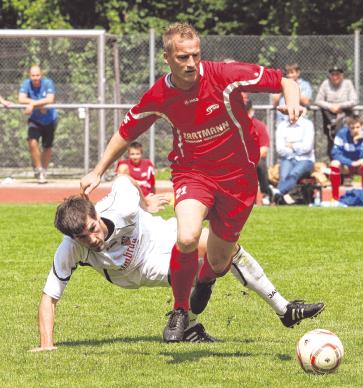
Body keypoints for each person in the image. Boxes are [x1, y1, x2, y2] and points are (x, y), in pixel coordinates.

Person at [80, 22, 303, 342]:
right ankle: (180, 310)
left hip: (238, 179)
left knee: (218, 260)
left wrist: (293, 98)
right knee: (186, 237)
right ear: (168, 58)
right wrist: (98, 170)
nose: (191, 63)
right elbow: (127, 131)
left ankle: (206, 282)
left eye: (195, 55)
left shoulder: (225, 76)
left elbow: (283, 80)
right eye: (183, 57)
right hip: (193, 173)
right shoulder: (160, 94)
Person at [31, 176, 324, 351]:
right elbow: (49, 296)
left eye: (92, 229)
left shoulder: (122, 206)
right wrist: (47, 344)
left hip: (161, 231)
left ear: (95, 213)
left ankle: (284, 309)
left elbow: (123, 177)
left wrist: (144, 202)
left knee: (224, 247)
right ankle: (193, 310)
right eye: (82, 237)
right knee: (187, 272)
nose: (91, 239)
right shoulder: (70, 248)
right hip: (138, 270)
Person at [18, 65, 58, 184]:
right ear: (29, 76)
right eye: (33, 75)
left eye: (37, 75)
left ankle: (44, 171)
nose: (35, 78)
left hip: (49, 119)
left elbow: (50, 99)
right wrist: (38, 104)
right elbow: (21, 99)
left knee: (47, 146)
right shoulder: (26, 84)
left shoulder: (48, 83)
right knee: (32, 142)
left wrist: (33, 104)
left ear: (41, 75)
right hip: (34, 120)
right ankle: (38, 169)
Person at [271, 116, 315, 205]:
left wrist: (291, 145)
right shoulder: (282, 125)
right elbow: (280, 149)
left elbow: (307, 147)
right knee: (283, 177)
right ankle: (282, 201)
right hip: (288, 157)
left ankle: (276, 194)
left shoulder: (307, 124)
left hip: (306, 160)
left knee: (293, 174)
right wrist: (297, 147)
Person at [315, 66, 357, 158]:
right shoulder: (325, 83)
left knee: (346, 139)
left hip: (345, 115)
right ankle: (334, 164)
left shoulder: (348, 83)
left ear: (342, 75)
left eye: (337, 74)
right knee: (332, 142)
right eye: (332, 75)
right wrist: (331, 106)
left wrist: (340, 106)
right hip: (330, 116)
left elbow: (354, 100)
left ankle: (347, 163)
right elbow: (318, 100)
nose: (335, 77)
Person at [329, 116, 363, 201]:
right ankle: (335, 198)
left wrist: (357, 141)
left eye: (357, 127)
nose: (355, 130)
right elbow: (335, 153)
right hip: (347, 165)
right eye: (352, 128)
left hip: (361, 165)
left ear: (362, 126)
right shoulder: (341, 134)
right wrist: (350, 163)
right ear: (348, 128)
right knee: (334, 163)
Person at [246, 99, 271, 205]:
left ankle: (266, 194)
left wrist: (249, 159)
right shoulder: (231, 125)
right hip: (236, 159)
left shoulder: (259, 126)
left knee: (260, 164)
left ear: (251, 111)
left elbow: (264, 149)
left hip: (253, 159)